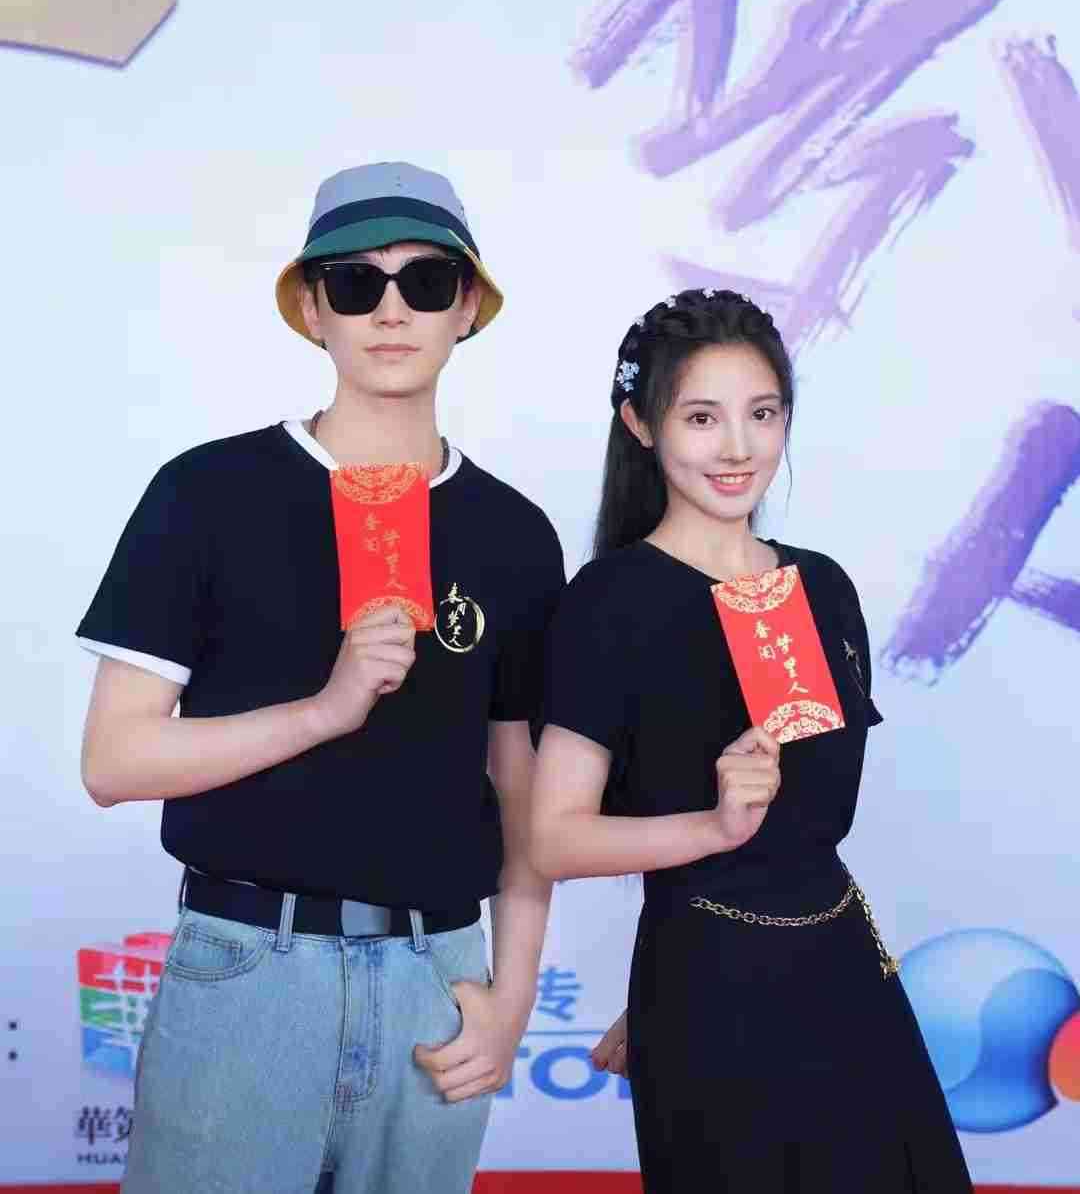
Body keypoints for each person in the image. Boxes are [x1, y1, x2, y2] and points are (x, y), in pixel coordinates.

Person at [78, 161, 564, 1194]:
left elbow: (525, 792)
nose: (391, 311)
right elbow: (114, 760)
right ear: (312, 309)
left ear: (467, 307)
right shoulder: (206, 494)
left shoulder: (516, 535)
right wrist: (325, 709)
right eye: (354, 283)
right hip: (248, 971)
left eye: (426, 282)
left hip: (439, 978)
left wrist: (512, 991)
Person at [531, 288, 972, 1192]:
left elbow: (810, 822)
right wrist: (714, 826)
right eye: (702, 417)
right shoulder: (609, 604)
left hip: (844, 969)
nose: (738, 448)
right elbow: (553, 838)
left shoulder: (823, 587)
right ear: (641, 425)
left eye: (762, 414)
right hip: (708, 990)